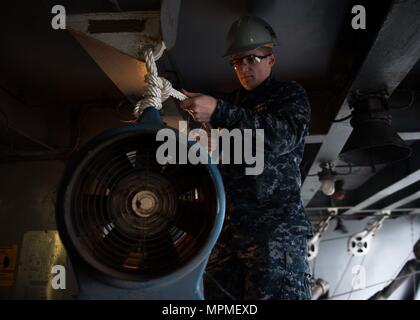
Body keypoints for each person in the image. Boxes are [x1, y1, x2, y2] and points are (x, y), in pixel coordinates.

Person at [179, 15, 314, 300]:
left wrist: (219, 112)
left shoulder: (288, 95)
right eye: (237, 62)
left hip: (274, 236)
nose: (243, 68)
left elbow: (280, 137)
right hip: (226, 238)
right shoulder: (233, 105)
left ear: (271, 59)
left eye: (251, 59)